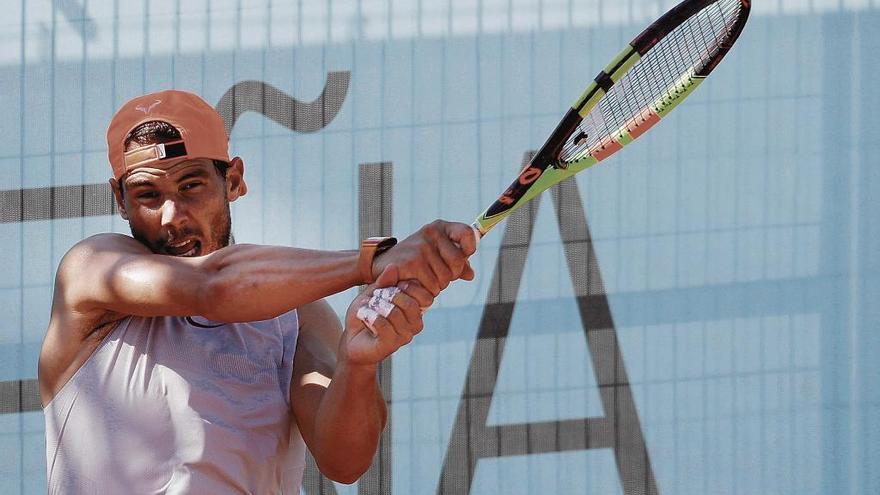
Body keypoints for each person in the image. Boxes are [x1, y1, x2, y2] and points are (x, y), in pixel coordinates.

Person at [39, 89, 477, 493]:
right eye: (148, 195)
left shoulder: (299, 314)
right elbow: (212, 284)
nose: (171, 216)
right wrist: (372, 261)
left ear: (233, 181)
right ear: (120, 200)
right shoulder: (92, 269)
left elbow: (345, 462)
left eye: (191, 185)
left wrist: (357, 365)